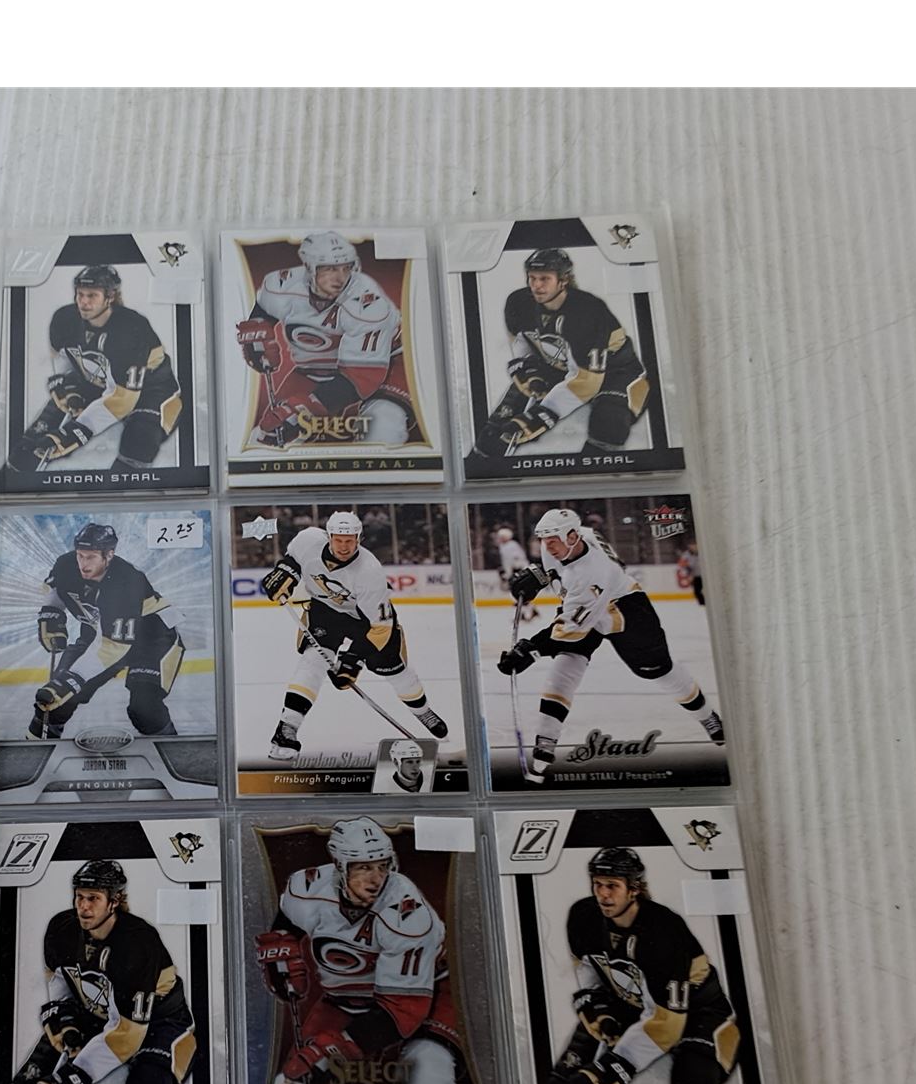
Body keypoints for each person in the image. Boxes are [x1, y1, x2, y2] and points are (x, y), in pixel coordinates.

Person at [500, 507, 724, 783]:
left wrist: (529, 650)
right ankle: (546, 741)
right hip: (584, 606)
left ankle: (706, 715)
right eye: (545, 540)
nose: (548, 547)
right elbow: (563, 578)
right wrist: (541, 576)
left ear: (572, 536)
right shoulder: (578, 536)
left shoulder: (593, 572)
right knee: (565, 665)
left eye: (553, 540)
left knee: (659, 671)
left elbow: (568, 628)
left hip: (627, 610)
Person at [255, 818, 463, 1084]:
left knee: (428, 1078)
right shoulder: (309, 887)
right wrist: (279, 952)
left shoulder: (407, 913)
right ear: (339, 865)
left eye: (382, 866)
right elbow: (287, 923)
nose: (376, 879)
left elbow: (402, 1011)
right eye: (363, 867)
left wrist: (336, 1049)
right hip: (346, 998)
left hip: (424, 996)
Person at [0, 860, 197, 1084]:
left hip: (158, 1023)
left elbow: (127, 1035)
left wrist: (75, 1077)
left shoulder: (138, 942)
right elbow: (60, 980)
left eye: (93, 898)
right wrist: (66, 1020)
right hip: (97, 1015)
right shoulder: (61, 928)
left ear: (114, 901)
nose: (83, 907)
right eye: (80, 897)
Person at [541, 846, 739, 1084]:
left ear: (634, 888)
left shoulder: (664, 930)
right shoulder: (583, 915)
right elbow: (588, 966)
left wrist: (615, 1066)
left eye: (612, 885)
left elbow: (666, 1025)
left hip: (696, 1012)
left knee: (696, 1081)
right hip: (631, 1004)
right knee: (565, 1081)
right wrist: (597, 1005)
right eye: (597, 884)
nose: (603, 894)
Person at [260, 509, 449, 759]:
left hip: (367, 622)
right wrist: (284, 573)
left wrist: (352, 660)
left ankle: (423, 711)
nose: (343, 546)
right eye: (338, 539)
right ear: (328, 536)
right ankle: (287, 728)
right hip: (325, 611)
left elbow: (380, 628)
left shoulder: (370, 571)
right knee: (313, 661)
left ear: (359, 539)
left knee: (394, 670)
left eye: (349, 540)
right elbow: (292, 560)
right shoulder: (308, 539)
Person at [466, 247, 650, 463]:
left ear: (564, 280)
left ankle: (591, 478)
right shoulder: (519, 302)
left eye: (544, 278)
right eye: (532, 278)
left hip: (614, 372)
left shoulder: (588, 311)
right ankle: (481, 467)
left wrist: (544, 414)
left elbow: (586, 383)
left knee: (609, 424)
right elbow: (520, 339)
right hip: (557, 366)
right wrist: (529, 368)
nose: (536, 285)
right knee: (497, 430)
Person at [236, 231, 412, 447]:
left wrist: (306, 406)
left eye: (346, 267)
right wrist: (257, 337)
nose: (340, 278)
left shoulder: (368, 303)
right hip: (319, 369)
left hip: (385, 365)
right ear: (309, 267)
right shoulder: (283, 284)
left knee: (382, 427)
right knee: (269, 435)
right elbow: (263, 313)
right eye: (329, 268)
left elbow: (362, 376)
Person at [7, 264, 183, 473]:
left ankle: (120, 489)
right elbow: (63, 356)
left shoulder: (132, 329)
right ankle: (16, 475)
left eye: (92, 295)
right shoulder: (64, 319)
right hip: (97, 382)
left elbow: (122, 400)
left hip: (149, 391)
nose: (83, 302)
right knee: (38, 435)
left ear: (110, 297)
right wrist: (69, 386)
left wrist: (77, 431)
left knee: (140, 440)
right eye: (80, 294)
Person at [31, 522, 184, 741]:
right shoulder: (66, 564)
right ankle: (36, 746)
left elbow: (113, 647)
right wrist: (52, 613)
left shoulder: (127, 581)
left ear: (109, 555)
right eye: (80, 555)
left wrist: (72, 679)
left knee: (145, 709)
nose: (83, 564)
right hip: (99, 634)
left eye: (91, 557)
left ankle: (173, 751)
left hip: (152, 639)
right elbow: (55, 589)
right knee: (55, 702)